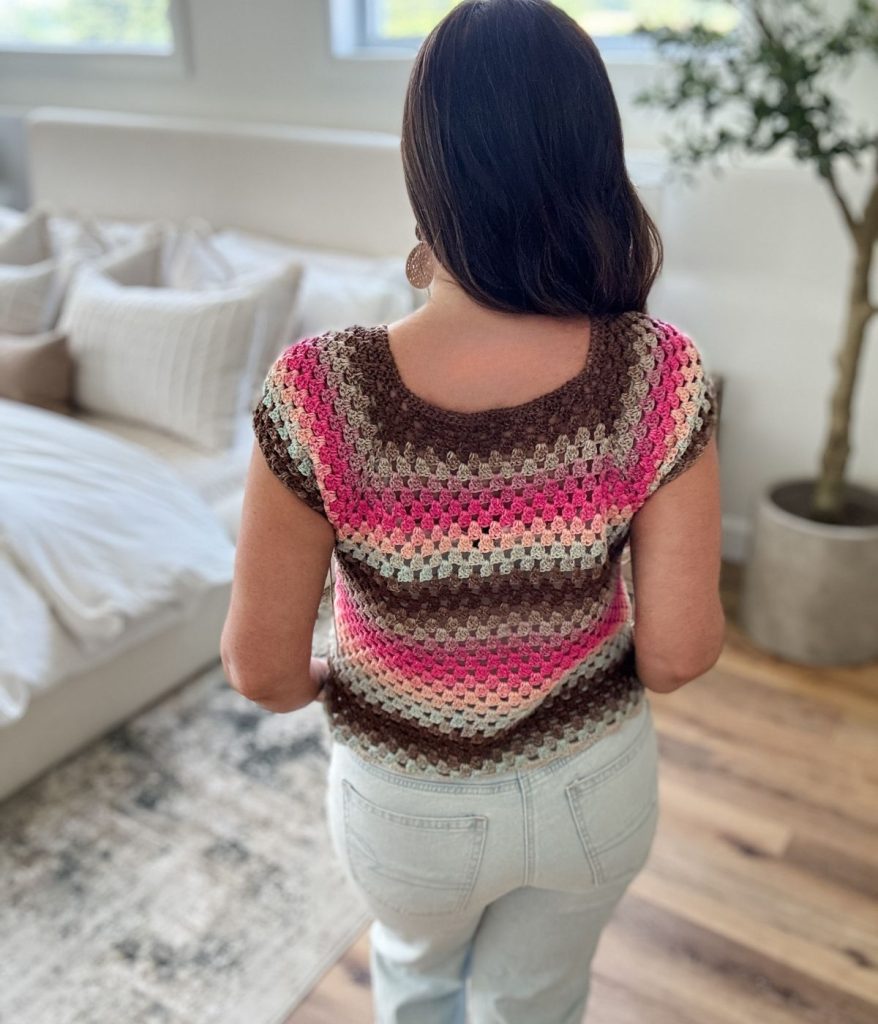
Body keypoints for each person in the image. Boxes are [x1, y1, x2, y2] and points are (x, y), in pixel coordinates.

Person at [221, 1, 725, 1021]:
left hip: (405, 805)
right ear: (593, 157)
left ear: (427, 167)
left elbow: (261, 668)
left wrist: (360, 679)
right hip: (594, 785)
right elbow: (677, 654)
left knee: (414, 984)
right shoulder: (658, 372)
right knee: (534, 1001)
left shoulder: (319, 392)